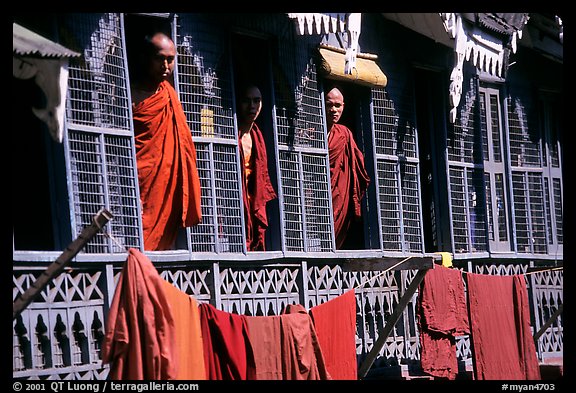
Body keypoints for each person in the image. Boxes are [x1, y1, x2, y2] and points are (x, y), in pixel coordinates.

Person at [130, 32, 202, 250]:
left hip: (168, 183)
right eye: (159, 58)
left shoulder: (169, 94)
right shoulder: (127, 94)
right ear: (144, 58)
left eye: (170, 59)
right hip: (139, 180)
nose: (165, 65)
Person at [325, 86, 370, 249]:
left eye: (338, 105)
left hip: (340, 194)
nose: (333, 110)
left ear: (344, 106)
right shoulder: (313, 134)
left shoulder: (344, 134)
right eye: (329, 104)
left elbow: (357, 170)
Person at [237, 84, 277, 251]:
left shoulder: (257, 136)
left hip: (253, 198)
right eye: (246, 101)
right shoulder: (231, 134)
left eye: (256, 101)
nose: (252, 106)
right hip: (235, 198)